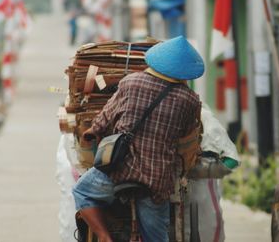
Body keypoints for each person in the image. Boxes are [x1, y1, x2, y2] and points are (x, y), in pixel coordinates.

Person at [72, 36, 204, 242]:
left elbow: (106, 117)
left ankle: (105, 237)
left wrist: (93, 131)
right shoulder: (190, 100)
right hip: (157, 180)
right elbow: (186, 137)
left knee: (82, 191)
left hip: (120, 170)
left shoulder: (131, 82)